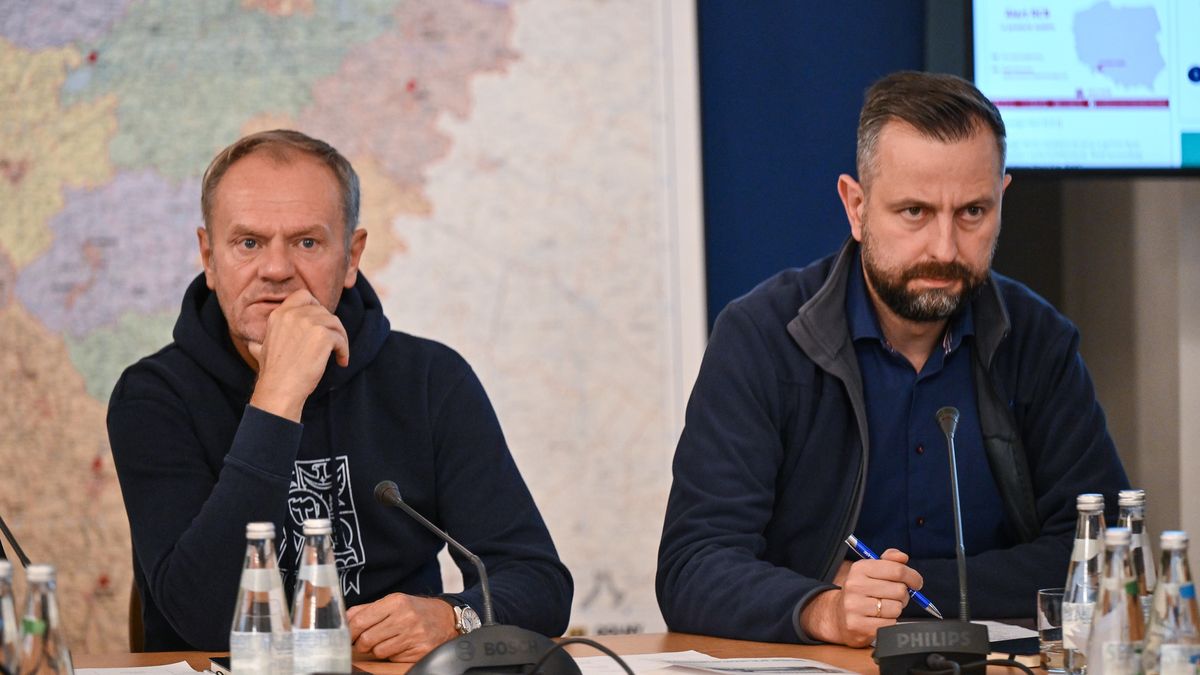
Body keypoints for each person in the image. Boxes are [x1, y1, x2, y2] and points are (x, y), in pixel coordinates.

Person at [655, 71, 1129, 648]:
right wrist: (825, 609)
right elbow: (692, 567)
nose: (945, 248)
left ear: (1002, 198)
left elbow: (1105, 558)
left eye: (973, 213)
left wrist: (899, 591)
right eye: (914, 212)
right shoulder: (762, 337)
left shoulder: (1038, 340)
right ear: (855, 207)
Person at [108, 130, 572, 659]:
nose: (277, 269)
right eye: (248, 243)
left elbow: (540, 581)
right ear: (209, 257)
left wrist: (454, 617)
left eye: (307, 242)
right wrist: (279, 396)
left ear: (351, 257)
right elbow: (204, 621)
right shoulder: (152, 398)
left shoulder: (429, 380)